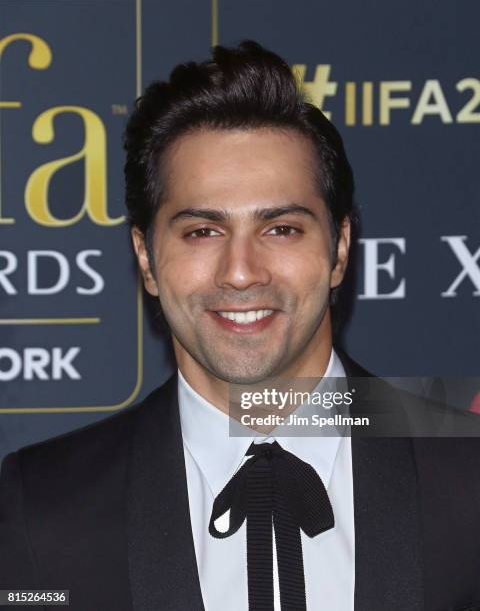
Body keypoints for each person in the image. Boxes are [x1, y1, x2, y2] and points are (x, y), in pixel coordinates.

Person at [1, 40, 479, 611]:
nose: (241, 272)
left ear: (341, 248)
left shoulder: (468, 477)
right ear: (148, 258)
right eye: (202, 231)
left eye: (281, 229)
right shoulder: (43, 507)